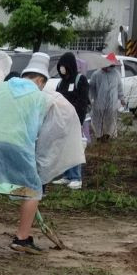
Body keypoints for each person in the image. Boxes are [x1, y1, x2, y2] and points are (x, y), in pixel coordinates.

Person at [0, 51, 80, 255]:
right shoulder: (39, 96)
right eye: (43, 83)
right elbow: (40, 129)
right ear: (40, 79)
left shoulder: (0, 88)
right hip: (17, 143)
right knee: (33, 188)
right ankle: (22, 238)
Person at [51, 52, 89, 189]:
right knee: (64, 148)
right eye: (60, 66)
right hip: (62, 121)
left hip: (76, 120)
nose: (62, 69)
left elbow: (83, 102)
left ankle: (76, 177)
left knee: (74, 148)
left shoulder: (80, 80)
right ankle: (67, 175)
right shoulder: (61, 83)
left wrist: (79, 119)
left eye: (64, 66)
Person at [87, 53, 123, 141]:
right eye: (110, 65)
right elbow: (91, 88)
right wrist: (91, 100)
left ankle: (109, 136)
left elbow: (119, 88)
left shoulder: (116, 74)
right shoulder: (96, 75)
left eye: (113, 65)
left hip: (112, 103)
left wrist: (122, 99)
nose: (111, 67)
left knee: (110, 121)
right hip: (99, 103)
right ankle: (99, 136)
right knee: (98, 121)